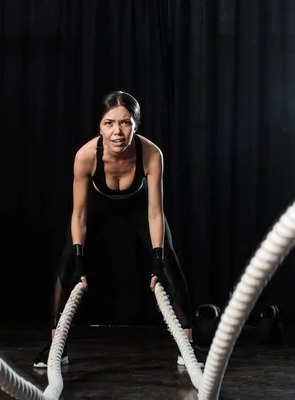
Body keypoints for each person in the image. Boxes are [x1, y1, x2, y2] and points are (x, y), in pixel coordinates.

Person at [33, 91, 203, 368]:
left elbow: (155, 213)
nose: (117, 132)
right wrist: (78, 257)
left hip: (137, 206)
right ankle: (56, 348)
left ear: (136, 125)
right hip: (98, 205)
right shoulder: (86, 156)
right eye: (109, 123)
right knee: (67, 265)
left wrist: (157, 259)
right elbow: (79, 214)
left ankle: (189, 347)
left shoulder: (151, 154)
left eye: (125, 123)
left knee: (169, 263)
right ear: (99, 127)